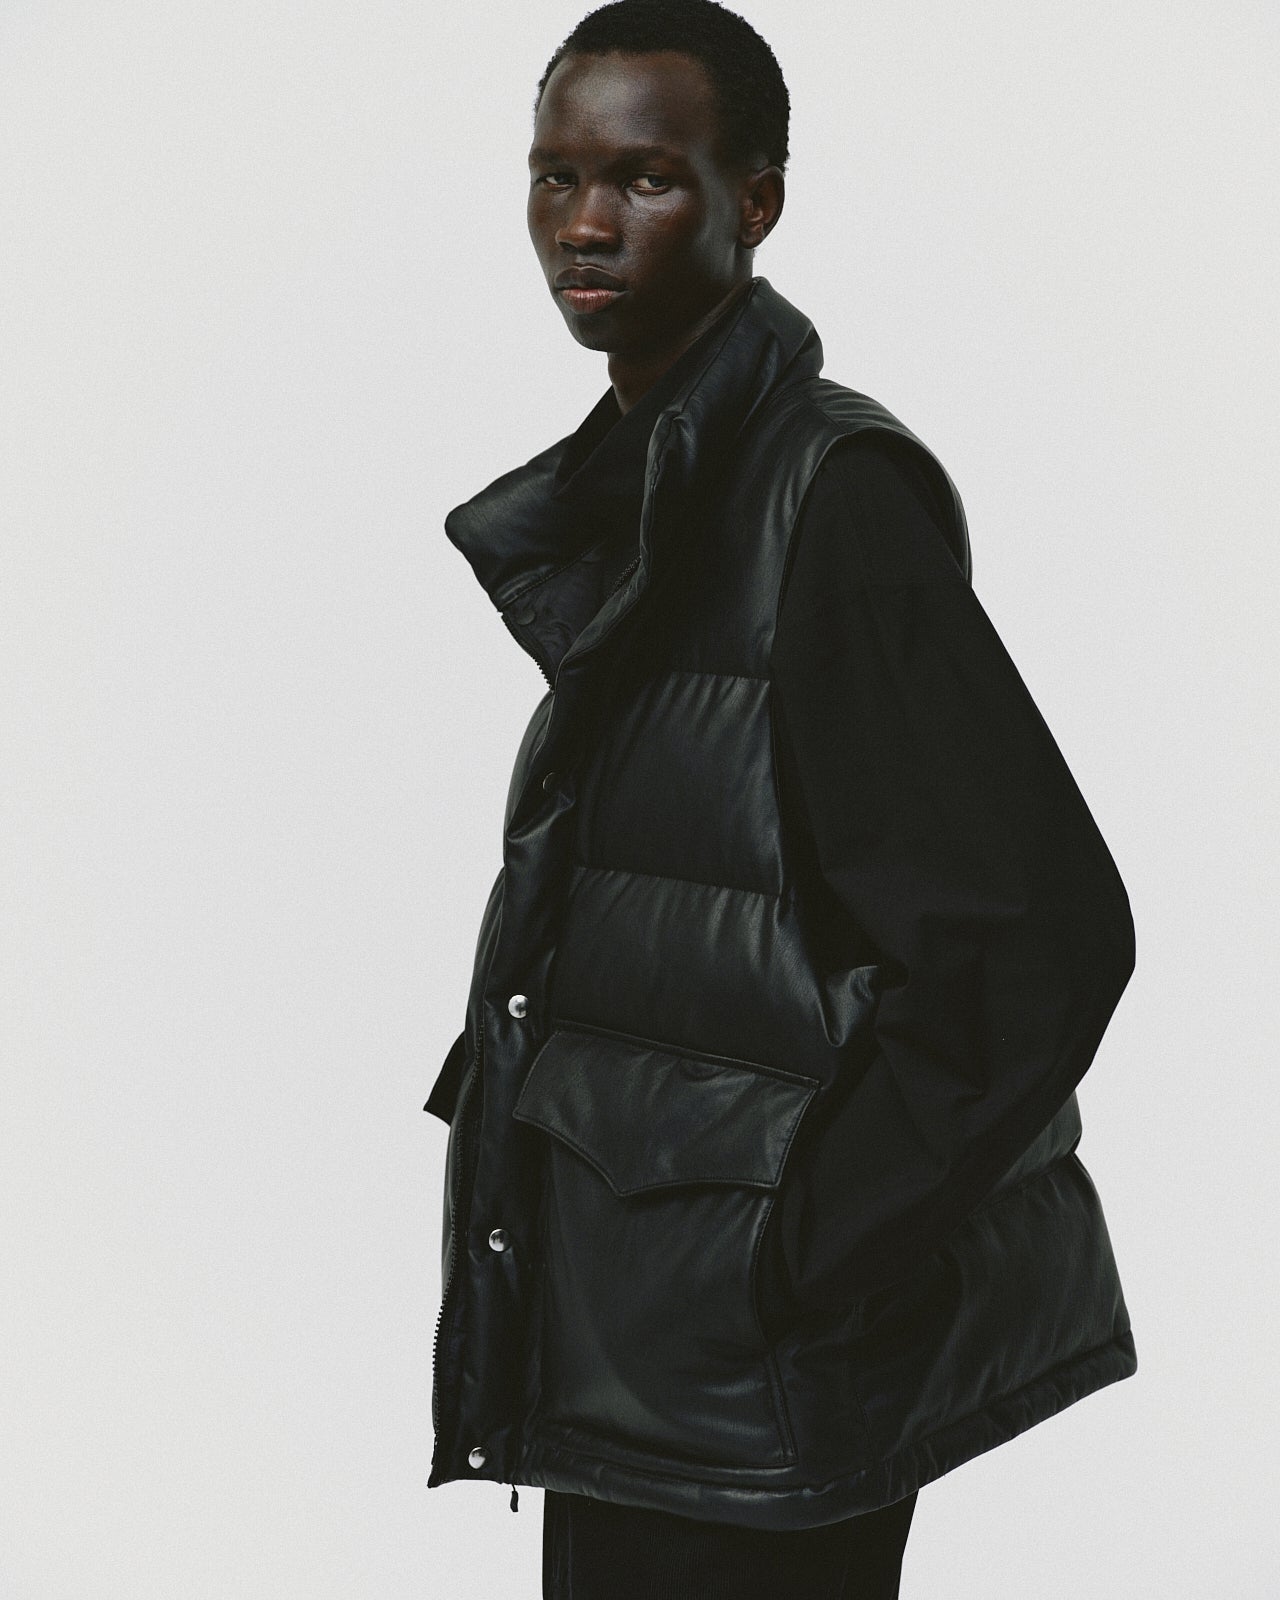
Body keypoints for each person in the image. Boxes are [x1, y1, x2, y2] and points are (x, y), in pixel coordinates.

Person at [423, 3, 1138, 1596]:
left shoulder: (828, 500)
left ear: (756, 201)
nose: (585, 222)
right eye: (555, 176)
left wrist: (802, 1252)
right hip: (635, 1351)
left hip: (747, 1381)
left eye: (644, 178)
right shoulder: (654, 488)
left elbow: (1033, 944)